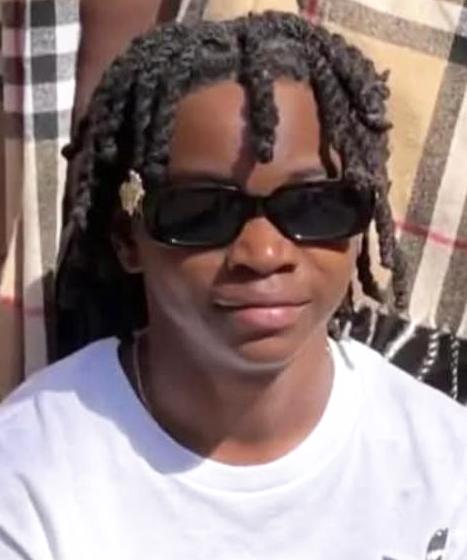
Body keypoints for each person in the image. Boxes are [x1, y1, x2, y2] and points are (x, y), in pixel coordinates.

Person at [1, 11, 466, 559]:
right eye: (201, 212)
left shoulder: (445, 466)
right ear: (128, 236)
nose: (264, 254)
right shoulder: (31, 469)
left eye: (314, 205)